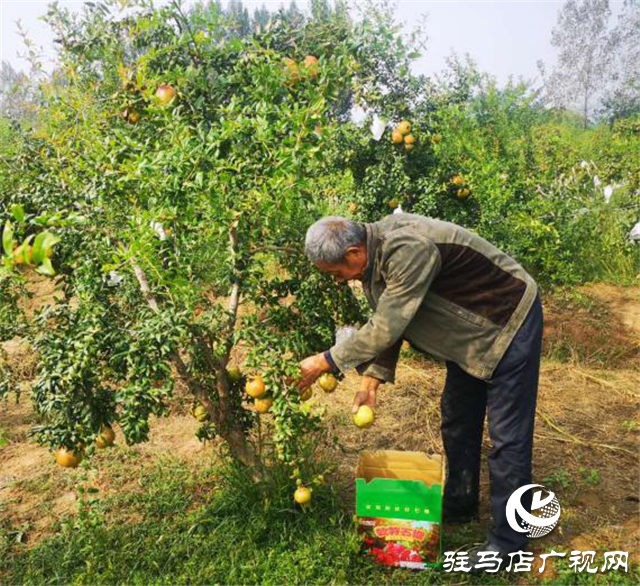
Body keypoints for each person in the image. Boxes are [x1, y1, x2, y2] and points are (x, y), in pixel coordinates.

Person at [298, 213, 543, 569]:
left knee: (509, 438)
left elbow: (387, 324)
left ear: (353, 252)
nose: (338, 281)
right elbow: (392, 318)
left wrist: (327, 360)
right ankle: (460, 504)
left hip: (506, 322)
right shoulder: (374, 261)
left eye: (336, 272)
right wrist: (372, 380)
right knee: (457, 418)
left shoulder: (406, 248)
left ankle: (509, 544)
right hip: (467, 337)